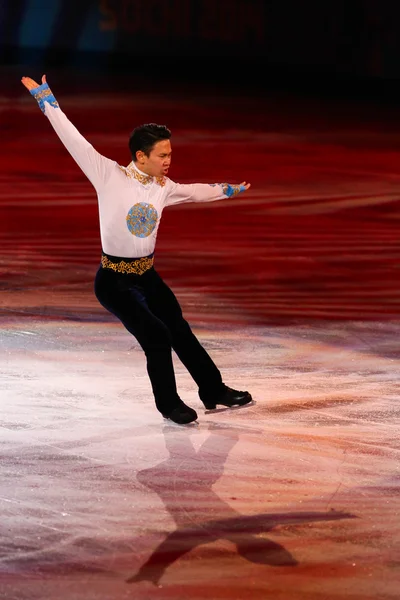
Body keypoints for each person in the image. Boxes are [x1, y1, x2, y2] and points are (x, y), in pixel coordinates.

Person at [21, 74, 253, 425]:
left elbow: (195, 191)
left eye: (170, 154)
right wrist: (45, 98)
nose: (168, 161)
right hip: (114, 281)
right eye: (162, 155)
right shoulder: (107, 175)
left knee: (178, 327)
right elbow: (73, 139)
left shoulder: (164, 187)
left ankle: (213, 389)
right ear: (140, 156)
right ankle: (169, 404)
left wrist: (229, 190)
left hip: (146, 275)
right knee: (156, 334)